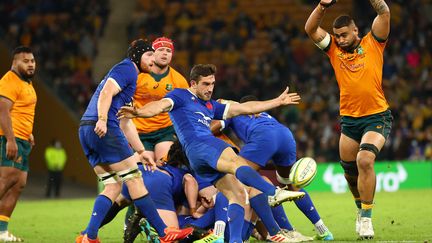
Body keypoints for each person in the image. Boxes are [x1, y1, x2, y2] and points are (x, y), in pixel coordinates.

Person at [118, 64, 306, 242]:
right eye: (206, 84)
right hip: (201, 144)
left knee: (237, 195)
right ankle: (272, 193)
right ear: (193, 84)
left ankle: (234, 241)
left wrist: (277, 101)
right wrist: (139, 113)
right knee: (235, 161)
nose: (210, 88)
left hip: (198, 160)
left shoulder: (211, 106)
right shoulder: (180, 95)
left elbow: (244, 108)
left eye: (213, 84)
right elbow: (159, 106)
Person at [75, 39, 193, 243]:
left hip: (86, 130)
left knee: (113, 186)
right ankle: (165, 233)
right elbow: (105, 93)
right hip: (103, 127)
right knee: (135, 179)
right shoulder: (127, 68)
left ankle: (89, 237)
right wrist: (103, 120)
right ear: (137, 56)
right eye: (149, 55)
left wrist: (140, 151)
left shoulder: (133, 80)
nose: (153, 58)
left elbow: (126, 122)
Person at [304, 0, 392, 240]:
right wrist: (322, 6)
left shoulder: (373, 42)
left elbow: (384, 12)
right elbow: (311, 30)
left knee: (365, 159)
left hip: (376, 116)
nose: (340, 39)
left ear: (355, 31)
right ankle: (359, 209)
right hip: (350, 121)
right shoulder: (334, 50)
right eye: (337, 36)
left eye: (344, 35)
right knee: (350, 174)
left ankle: (366, 220)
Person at [212, 95, 333, 241]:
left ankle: (218, 235)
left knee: (232, 180)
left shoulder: (233, 111)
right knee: (292, 185)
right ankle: (323, 230)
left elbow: (213, 128)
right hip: (285, 136)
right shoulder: (265, 114)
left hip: (263, 138)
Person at [124, 36, 189, 224]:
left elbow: (185, 107)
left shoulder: (178, 80)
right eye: (160, 50)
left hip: (164, 131)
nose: (165, 53)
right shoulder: (139, 74)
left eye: (168, 50)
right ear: (153, 53)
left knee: (164, 168)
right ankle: (132, 216)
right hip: (139, 133)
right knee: (138, 174)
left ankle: (166, 213)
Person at [0, 46, 37, 242]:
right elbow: (3, 112)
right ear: (14, 63)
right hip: (8, 138)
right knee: (5, 181)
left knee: (18, 184)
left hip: (22, 139)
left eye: (32, 60)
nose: (30, 64)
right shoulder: (9, 81)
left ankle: (1, 231)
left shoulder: (27, 83)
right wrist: (11, 140)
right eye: (25, 61)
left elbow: (20, 111)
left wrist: (28, 133)